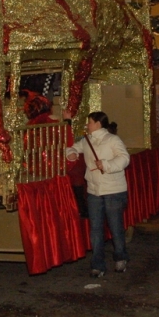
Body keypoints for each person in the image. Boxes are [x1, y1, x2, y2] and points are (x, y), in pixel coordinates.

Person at [66, 111, 130, 277]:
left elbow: (124, 158)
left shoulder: (112, 140)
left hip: (113, 190)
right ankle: (97, 264)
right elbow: (72, 147)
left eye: (90, 122)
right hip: (94, 190)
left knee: (115, 227)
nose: (88, 125)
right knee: (95, 229)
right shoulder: (87, 141)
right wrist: (70, 153)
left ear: (98, 124)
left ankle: (120, 258)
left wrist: (107, 165)